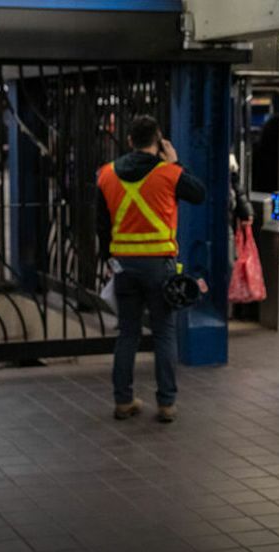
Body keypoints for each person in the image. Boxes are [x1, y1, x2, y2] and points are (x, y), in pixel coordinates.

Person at [96, 114, 206, 422]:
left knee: (128, 333)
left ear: (129, 140)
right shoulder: (169, 174)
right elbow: (200, 194)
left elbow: (101, 226)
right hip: (159, 266)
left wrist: (109, 259)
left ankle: (123, 401)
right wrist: (176, 162)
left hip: (124, 267)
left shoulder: (106, 175)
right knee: (164, 333)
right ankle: (167, 403)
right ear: (158, 142)